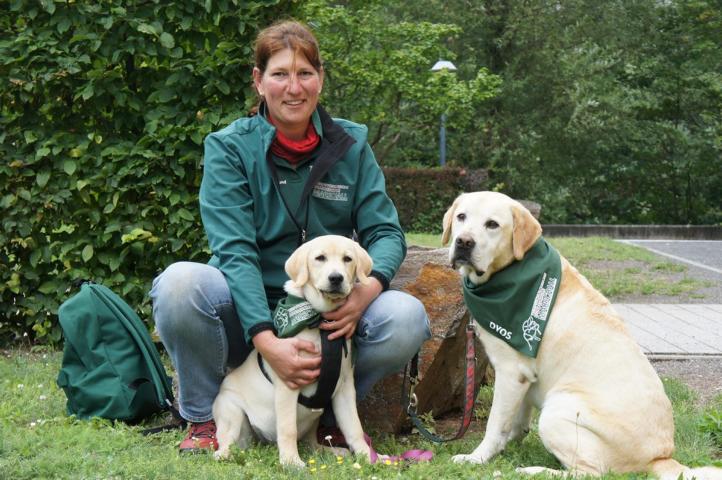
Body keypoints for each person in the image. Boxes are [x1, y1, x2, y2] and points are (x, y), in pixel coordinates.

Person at [150, 20, 431, 453]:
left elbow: (385, 232)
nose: (294, 88)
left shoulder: (352, 144)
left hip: (330, 314)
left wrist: (368, 290)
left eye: (305, 74)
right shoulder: (228, 148)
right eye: (280, 74)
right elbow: (235, 253)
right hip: (247, 311)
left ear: (321, 79)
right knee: (179, 284)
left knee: (406, 316)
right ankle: (204, 420)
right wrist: (267, 339)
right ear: (259, 82)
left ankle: (329, 417)